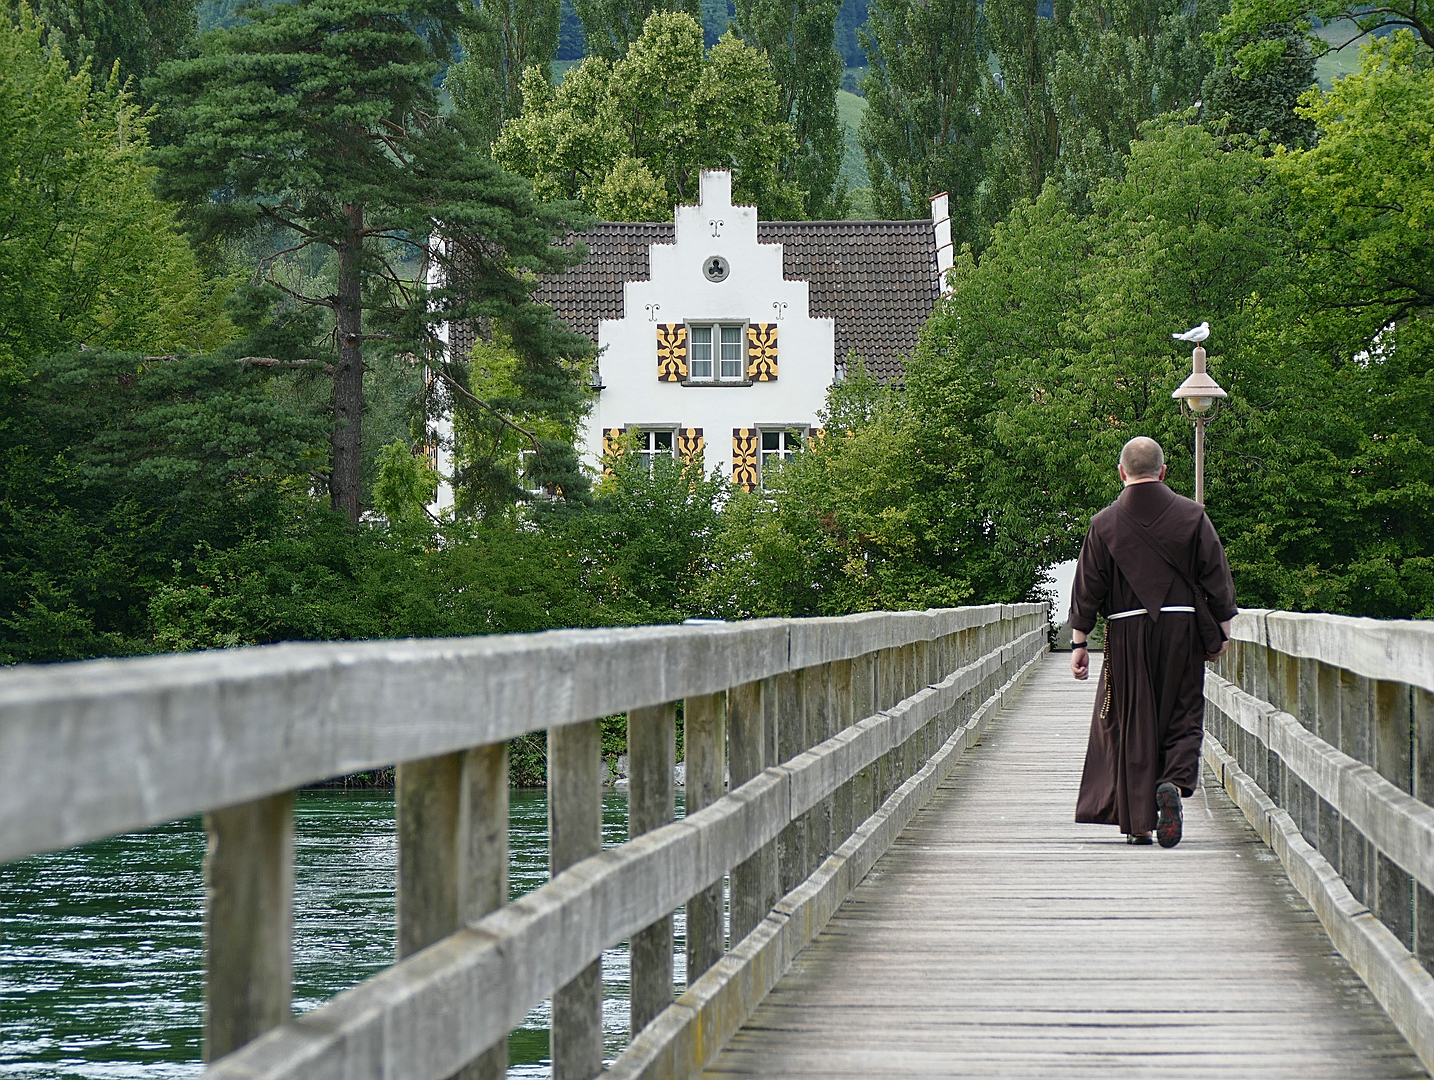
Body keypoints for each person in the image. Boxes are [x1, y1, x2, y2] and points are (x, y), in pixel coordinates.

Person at [1068, 436, 1237, 847]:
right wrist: (1223, 630)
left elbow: (1088, 586)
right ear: (1163, 471)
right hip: (1181, 627)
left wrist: (1078, 642)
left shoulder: (1103, 524)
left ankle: (1140, 822)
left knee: (1133, 721)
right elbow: (1216, 576)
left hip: (1126, 632)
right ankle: (1175, 786)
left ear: (1121, 473)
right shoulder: (1193, 516)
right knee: (1183, 710)